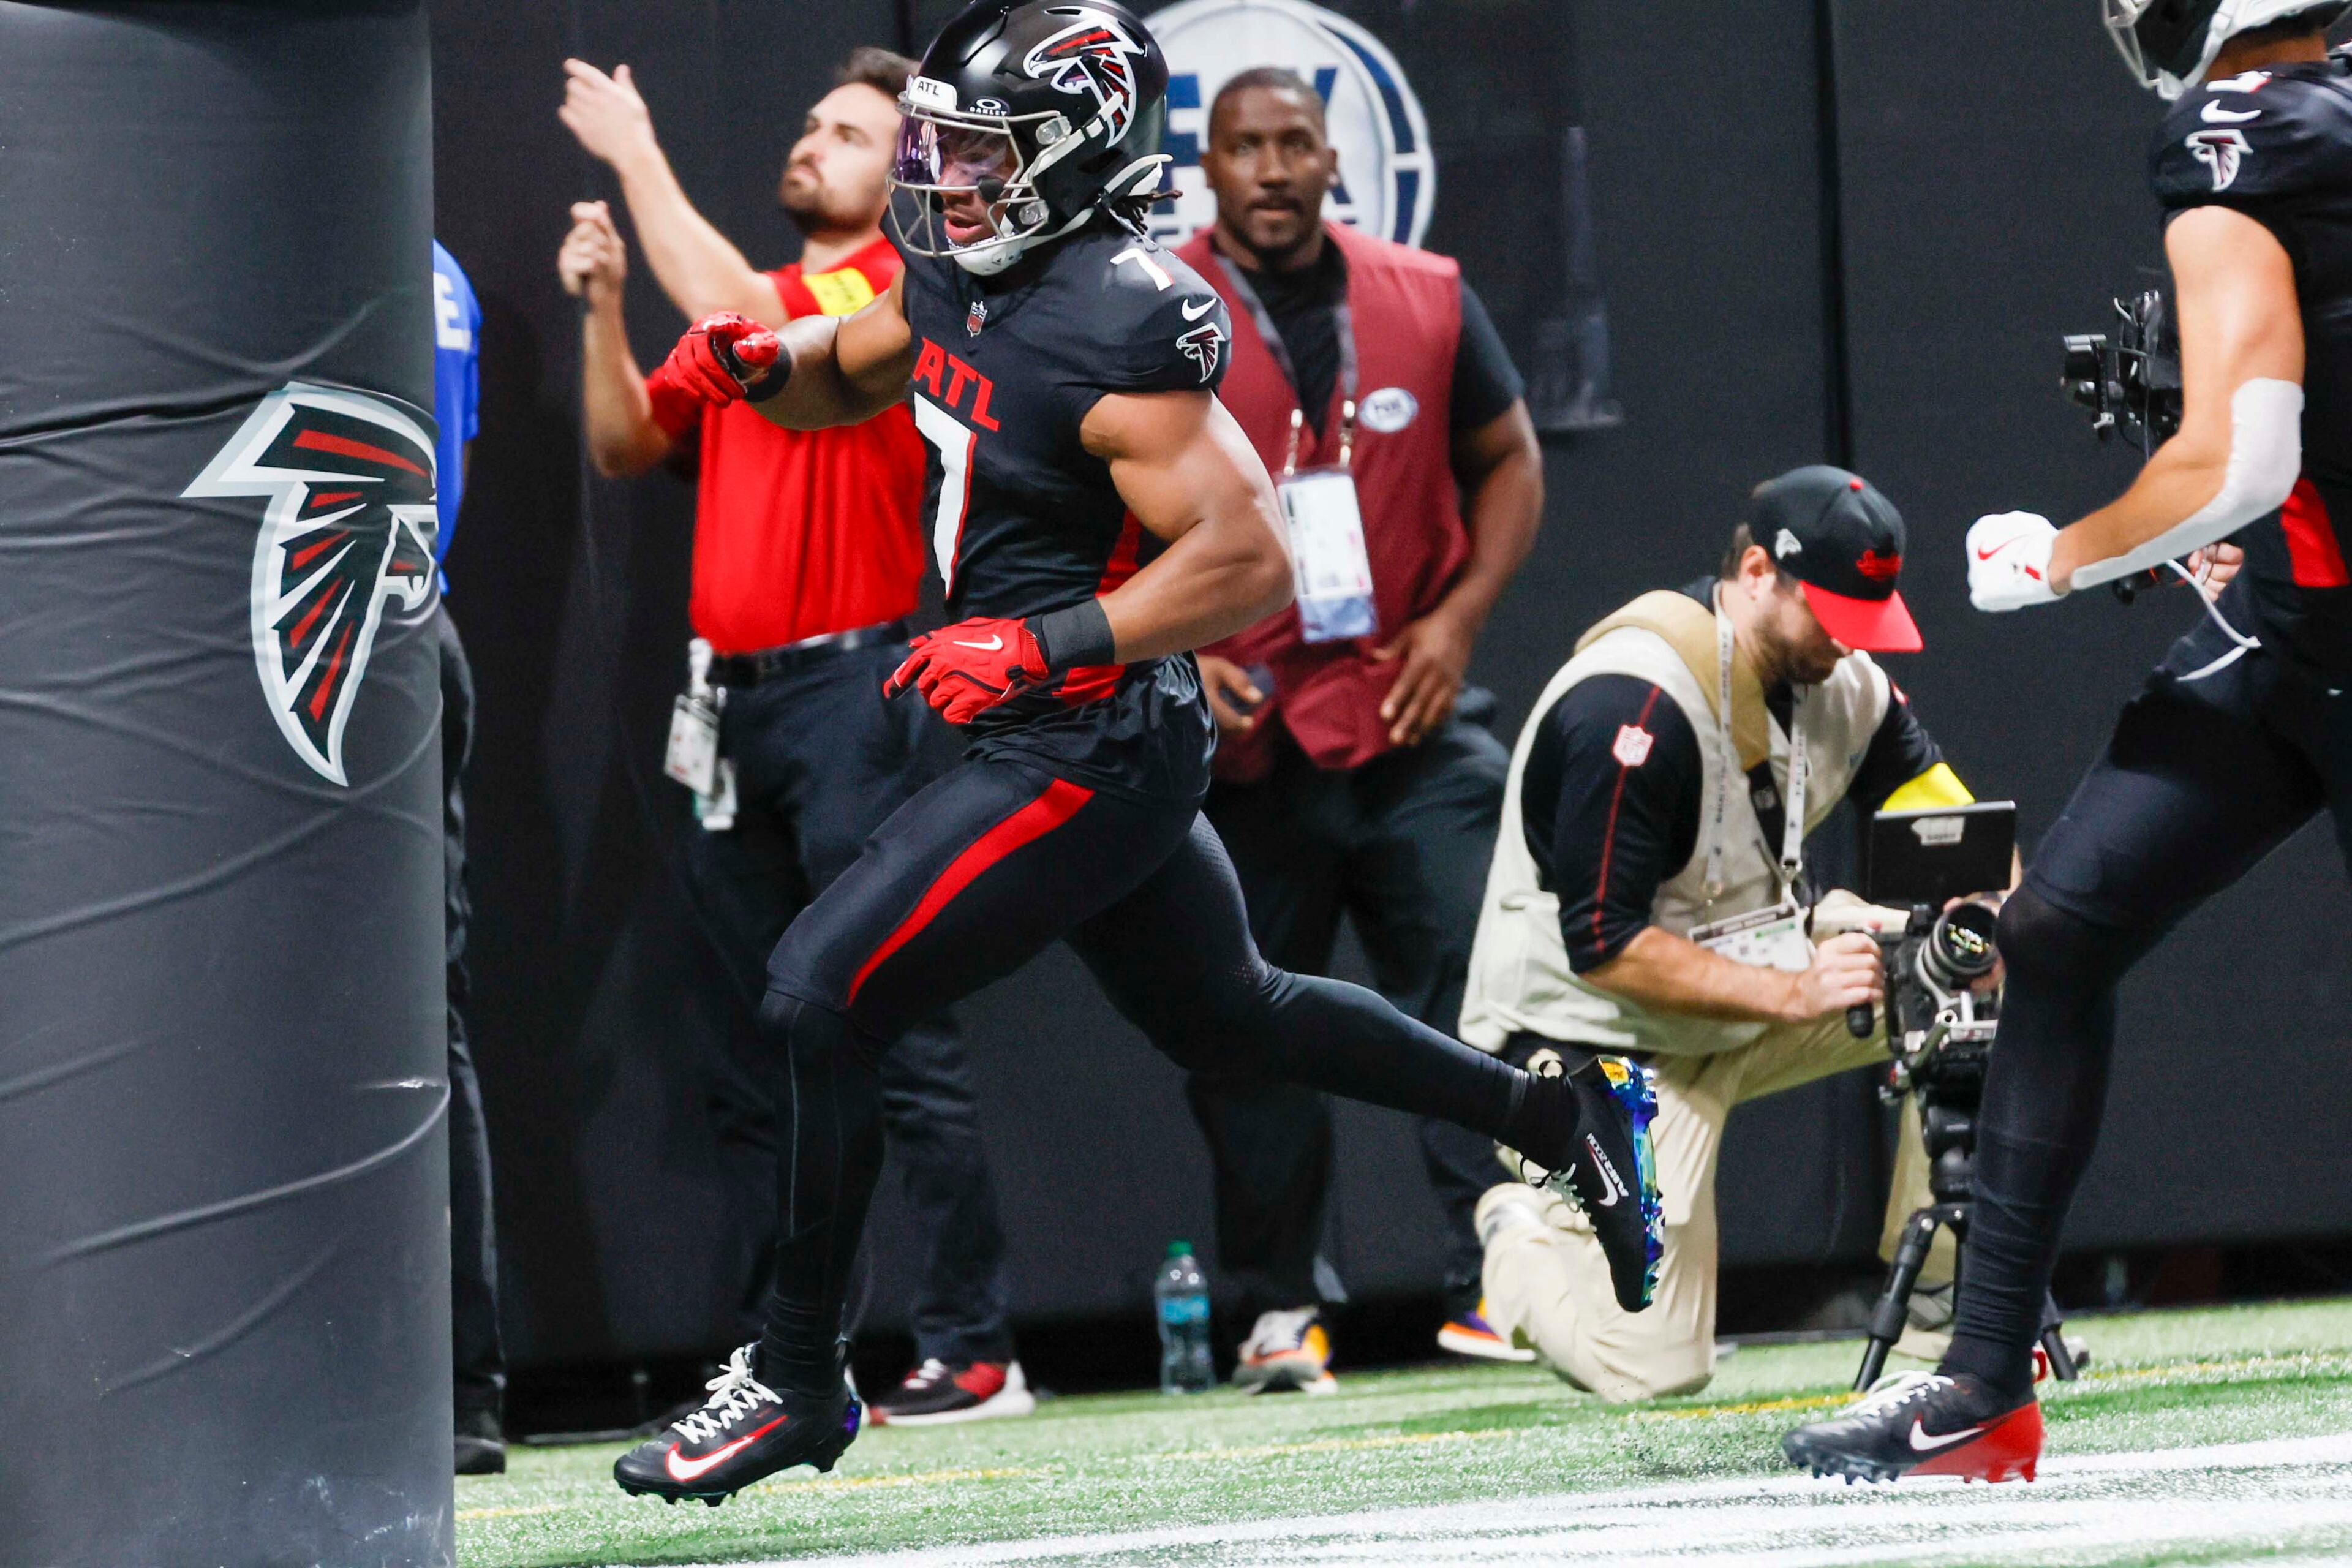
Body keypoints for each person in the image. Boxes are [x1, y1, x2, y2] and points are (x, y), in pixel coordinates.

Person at [605, 0, 1664, 1506]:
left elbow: (1245, 563)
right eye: (941, 150)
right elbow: (867, 359)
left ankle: (794, 1371)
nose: (947, 181)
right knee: (1242, 1015)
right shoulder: (968, 265)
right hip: (1043, 726)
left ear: (1074, 158)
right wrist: (764, 363)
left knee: (813, 990)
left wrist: (1039, 642)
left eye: (981, 154)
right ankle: (1568, 1114)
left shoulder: (1120, 308)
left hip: (1086, 739)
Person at [1784, 0, 2348, 1485]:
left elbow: (2239, 449)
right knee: (2052, 931)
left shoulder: (2247, 136)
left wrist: (2062, 554)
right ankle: (1981, 1389)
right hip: (2296, 639)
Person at [558, 46, 1031, 1426]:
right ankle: (786, 1354)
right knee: (761, 1044)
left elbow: (733, 308)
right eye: (813, 119)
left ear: (906, 177)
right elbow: (624, 442)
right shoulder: (749, 316)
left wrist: (637, 152)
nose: (814, 141)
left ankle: (974, 1341)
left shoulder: (891, 297)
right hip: (734, 708)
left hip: (855, 702)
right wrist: (598, 307)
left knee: (891, 1021)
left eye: (848, 130)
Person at [1461, 469, 1999, 1402]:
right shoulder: (1629, 705)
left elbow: (1949, 836)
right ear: (1758, 572)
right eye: (1831, 614)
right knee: (1654, 1371)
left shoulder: (1843, 681)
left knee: (1961, 972)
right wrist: (1795, 993)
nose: (1847, 644)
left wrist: (1997, 915)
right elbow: (1606, 946)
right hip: (1590, 1036)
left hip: (1744, 980)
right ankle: (1519, 1232)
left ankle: (1942, 1302)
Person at [1167, 67, 1545, 1388]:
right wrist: (1174, 641)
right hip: (1243, 730)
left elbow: (1512, 459)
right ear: (1203, 169)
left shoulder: (1425, 293)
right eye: (1243, 148)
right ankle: (1280, 1309)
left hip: (1406, 707)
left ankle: (1510, 1270)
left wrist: (1458, 621)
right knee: (1247, 1016)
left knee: (1483, 982)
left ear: (1338, 162)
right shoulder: (1149, 306)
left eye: (1294, 145)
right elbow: (1078, 499)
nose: (1270, 169)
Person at [432, 238, 509, 1477]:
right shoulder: (439, 264)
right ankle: (458, 1387)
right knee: (421, 1020)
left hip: (329, 636)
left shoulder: (294, 233)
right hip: (414, 622)